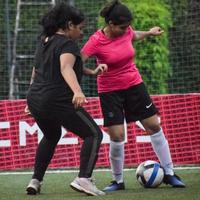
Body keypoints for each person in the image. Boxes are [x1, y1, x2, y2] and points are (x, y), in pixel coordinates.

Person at [81, 0, 185, 192]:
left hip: (134, 85)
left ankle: (170, 173)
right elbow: (77, 61)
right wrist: (93, 71)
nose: (126, 30)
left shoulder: (126, 31)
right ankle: (117, 181)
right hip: (110, 91)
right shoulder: (96, 40)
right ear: (110, 24)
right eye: (122, 27)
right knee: (117, 135)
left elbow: (133, 35)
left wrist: (149, 33)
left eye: (128, 26)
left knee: (154, 125)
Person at [25, 3, 106, 196]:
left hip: (36, 97)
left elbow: (38, 69)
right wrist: (78, 92)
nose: (81, 33)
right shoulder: (68, 44)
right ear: (70, 25)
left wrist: (91, 72)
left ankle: (35, 180)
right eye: (80, 28)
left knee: (52, 135)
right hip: (57, 99)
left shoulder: (44, 39)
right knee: (94, 134)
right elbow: (65, 68)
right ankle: (84, 179)